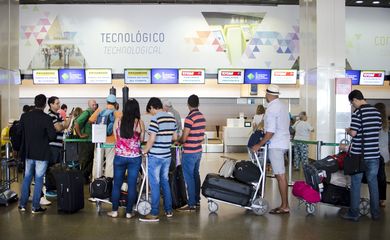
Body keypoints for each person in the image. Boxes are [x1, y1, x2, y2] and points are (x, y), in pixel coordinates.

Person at [341, 90, 382, 221]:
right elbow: (377, 130)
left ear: (355, 100)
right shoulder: (377, 113)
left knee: (356, 183)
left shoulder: (358, 113)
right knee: (373, 183)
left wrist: (348, 130)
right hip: (374, 154)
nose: (353, 105)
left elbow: (353, 133)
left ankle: (354, 214)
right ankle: (375, 214)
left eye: (352, 103)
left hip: (359, 155)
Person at [252, 84, 290, 214]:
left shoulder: (272, 109)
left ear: (268, 94)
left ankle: (285, 206)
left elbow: (270, 132)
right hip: (283, 142)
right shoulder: (283, 106)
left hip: (276, 145)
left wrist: (259, 144)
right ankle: (284, 204)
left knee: (280, 176)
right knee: (280, 175)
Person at [139, 97, 177, 222]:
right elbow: (175, 137)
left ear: (152, 107)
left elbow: (152, 139)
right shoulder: (171, 118)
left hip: (155, 156)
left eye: (150, 110)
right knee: (165, 182)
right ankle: (168, 210)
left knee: (154, 184)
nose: (151, 113)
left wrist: (144, 150)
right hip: (167, 156)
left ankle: (154, 213)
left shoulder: (155, 119)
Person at [18, 94, 56, 213]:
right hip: (42, 153)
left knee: (27, 178)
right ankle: (35, 207)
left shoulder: (25, 117)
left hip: (28, 152)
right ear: (45, 105)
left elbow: (20, 133)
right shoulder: (47, 118)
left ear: (34, 102)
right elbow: (52, 136)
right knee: (39, 179)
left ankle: (22, 205)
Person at [107, 98, 145, 219]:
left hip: (119, 157)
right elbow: (142, 140)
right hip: (134, 158)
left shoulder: (118, 121)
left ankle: (114, 211)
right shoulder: (139, 123)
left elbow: (116, 138)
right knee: (132, 185)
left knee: (117, 184)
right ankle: (129, 212)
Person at [176, 95, 206, 212]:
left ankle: (191, 204)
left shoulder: (190, 118)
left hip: (189, 152)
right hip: (198, 150)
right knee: (195, 175)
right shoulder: (201, 117)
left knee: (189, 177)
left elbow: (185, 136)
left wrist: (179, 141)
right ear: (198, 104)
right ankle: (197, 200)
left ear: (188, 104)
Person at [89, 94, 121, 181]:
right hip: (111, 140)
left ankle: (95, 180)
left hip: (99, 139)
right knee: (110, 160)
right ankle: (108, 181)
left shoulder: (100, 110)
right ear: (115, 103)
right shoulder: (117, 113)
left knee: (97, 160)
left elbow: (90, 120)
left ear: (107, 102)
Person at [45, 96, 73, 198]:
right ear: (51, 104)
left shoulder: (57, 115)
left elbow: (65, 125)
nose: (59, 105)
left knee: (57, 168)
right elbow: (58, 128)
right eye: (57, 103)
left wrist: (69, 119)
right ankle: (49, 189)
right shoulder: (50, 115)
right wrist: (62, 125)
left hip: (58, 145)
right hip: (52, 146)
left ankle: (55, 188)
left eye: (59, 103)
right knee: (51, 168)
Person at [74, 100, 97, 183]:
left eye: (95, 104)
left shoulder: (93, 113)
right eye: (93, 105)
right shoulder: (87, 113)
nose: (95, 106)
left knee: (90, 160)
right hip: (86, 141)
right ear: (89, 105)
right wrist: (80, 134)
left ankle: (85, 178)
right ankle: (82, 178)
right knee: (85, 160)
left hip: (91, 140)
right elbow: (77, 122)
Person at [374, 102, 389, 208]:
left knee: (373, 176)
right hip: (384, 154)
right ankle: (382, 199)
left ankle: (376, 197)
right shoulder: (386, 123)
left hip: (376, 153)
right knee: (382, 176)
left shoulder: (375, 122)